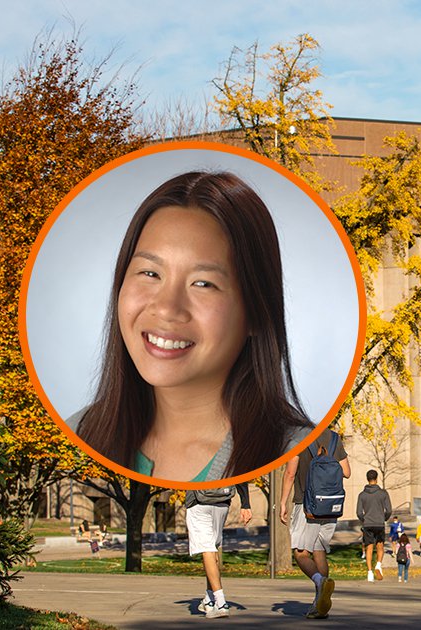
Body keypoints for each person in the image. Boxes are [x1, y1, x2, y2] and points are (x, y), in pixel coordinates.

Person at [73, 172, 313, 481]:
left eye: (203, 283)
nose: (166, 308)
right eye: (149, 273)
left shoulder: (296, 451)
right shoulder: (79, 431)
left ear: (256, 313)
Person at [279, 427, 350, 619]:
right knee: (319, 551)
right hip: (330, 505)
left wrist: (283, 502)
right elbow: (346, 472)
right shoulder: (334, 437)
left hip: (307, 505)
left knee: (301, 553)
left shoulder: (299, 437)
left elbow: (290, 473)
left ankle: (320, 582)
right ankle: (319, 605)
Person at [187, 483, 251, 618]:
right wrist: (245, 503)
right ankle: (209, 600)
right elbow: (240, 471)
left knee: (207, 550)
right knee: (212, 549)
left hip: (199, 502)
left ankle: (221, 603)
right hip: (222, 501)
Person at [356, 468, 392, 582]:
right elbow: (389, 510)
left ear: (367, 479)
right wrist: (383, 518)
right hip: (379, 523)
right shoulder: (383, 493)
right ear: (376, 479)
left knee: (369, 548)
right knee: (380, 546)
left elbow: (358, 512)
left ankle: (370, 572)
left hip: (368, 524)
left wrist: (364, 520)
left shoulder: (362, 495)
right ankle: (378, 565)